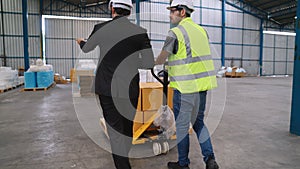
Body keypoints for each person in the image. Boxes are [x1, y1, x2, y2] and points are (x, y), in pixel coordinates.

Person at [76, 0, 154, 168]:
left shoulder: (101, 28)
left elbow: (87, 48)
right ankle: (123, 159)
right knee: (127, 127)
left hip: (107, 87)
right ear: (130, 12)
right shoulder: (140, 32)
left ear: (112, 8)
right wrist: (132, 62)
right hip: (130, 89)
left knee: (115, 130)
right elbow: (149, 63)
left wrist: (81, 41)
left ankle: (123, 164)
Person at [155, 0, 219, 169]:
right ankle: (210, 160)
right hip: (202, 87)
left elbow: (163, 57)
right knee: (199, 123)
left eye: (172, 11)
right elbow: (189, 57)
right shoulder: (202, 31)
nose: (170, 14)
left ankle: (183, 164)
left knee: (182, 127)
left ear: (182, 12)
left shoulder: (175, 32)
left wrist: (153, 62)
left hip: (185, 89)